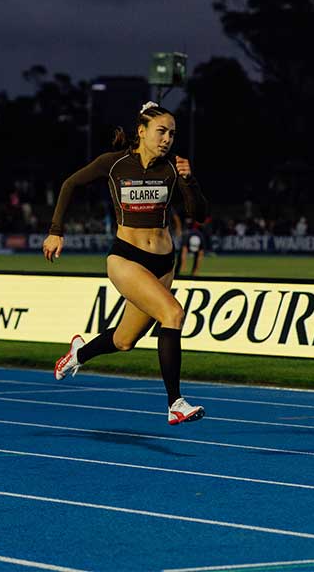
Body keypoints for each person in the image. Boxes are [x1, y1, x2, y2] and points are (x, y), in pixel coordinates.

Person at [43, 101, 209, 425]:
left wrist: (190, 181)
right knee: (173, 313)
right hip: (126, 258)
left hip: (163, 262)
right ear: (142, 131)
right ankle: (175, 402)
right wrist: (55, 232)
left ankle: (78, 354)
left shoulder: (174, 169)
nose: (167, 139)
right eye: (161, 131)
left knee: (123, 341)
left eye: (172, 134)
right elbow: (69, 184)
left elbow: (198, 214)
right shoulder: (115, 163)